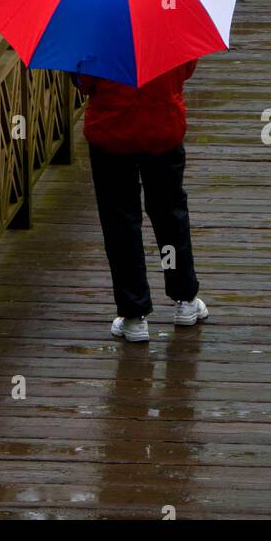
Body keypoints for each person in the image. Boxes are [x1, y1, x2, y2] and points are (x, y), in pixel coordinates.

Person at [75, 62, 207, 342]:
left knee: (120, 222)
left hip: (111, 134)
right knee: (169, 214)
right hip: (163, 128)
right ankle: (184, 298)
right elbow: (186, 69)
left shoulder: (97, 32)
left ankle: (134, 315)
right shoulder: (170, 22)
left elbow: (85, 83)